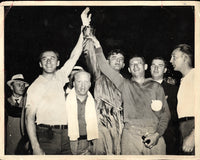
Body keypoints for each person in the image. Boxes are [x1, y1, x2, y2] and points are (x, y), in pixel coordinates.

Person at [89, 36, 170, 155]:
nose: (136, 66)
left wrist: (157, 135)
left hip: (153, 134)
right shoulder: (124, 84)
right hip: (130, 136)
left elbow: (165, 114)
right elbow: (105, 67)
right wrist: (97, 45)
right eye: (132, 64)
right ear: (129, 69)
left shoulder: (156, 87)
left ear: (145, 67)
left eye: (139, 63)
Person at [25, 8, 88, 155]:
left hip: (65, 135)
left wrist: (83, 27)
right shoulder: (35, 86)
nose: (48, 62)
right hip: (46, 136)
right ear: (40, 64)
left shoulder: (60, 77)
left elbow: (74, 56)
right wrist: (35, 147)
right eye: (45, 59)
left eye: (52, 58)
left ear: (58, 63)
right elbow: (29, 118)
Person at [150, 57, 179, 155]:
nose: (156, 68)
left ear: (165, 70)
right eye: (153, 65)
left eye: (160, 66)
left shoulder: (173, 90)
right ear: (149, 68)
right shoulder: (140, 88)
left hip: (166, 136)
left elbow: (176, 115)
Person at [170, 44, 195, 154]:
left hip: (193, 127)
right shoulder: (184, 79)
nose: (171, 60)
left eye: (174, 57)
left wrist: (194, 136)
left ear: (185, 58)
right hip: (183, 127)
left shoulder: (196, 76)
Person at [66, 71, 98, 155]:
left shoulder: (96, 103)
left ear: (90, 84)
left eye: (86, 82)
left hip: (89, 144)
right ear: (73, 83)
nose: (83, 86)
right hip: (68, 144)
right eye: (79, 82)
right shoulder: (64, 101)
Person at [5, 74, 29, 154]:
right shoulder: (5, 102)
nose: (22, 87)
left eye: (23, 85)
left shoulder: (28, 103)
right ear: (11, 87)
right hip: (8, 147)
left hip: (24, 148)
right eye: (18, 84)